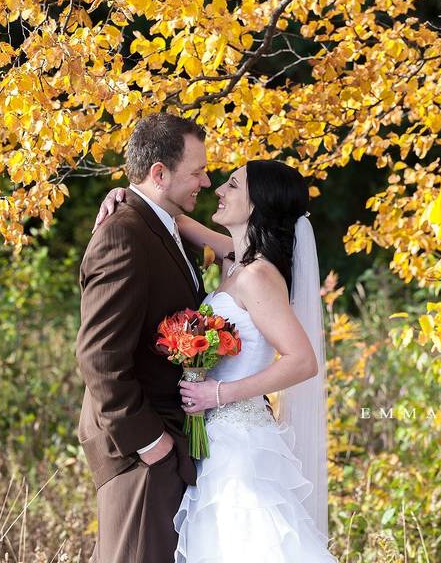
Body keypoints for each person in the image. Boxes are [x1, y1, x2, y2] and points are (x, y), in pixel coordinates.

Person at [93, 159, 335, 562]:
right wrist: (122, 194)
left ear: (256, 205)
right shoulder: (233, 259)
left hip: (239, 442)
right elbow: (173, 219)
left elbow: (301, 362)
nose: (218, 190)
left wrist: (219, 393)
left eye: (232, 185)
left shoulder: (258, 276)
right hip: (213, 440)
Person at [76, 113, 210, 563]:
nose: (206, 182)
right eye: (197, 172)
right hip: (138, 449)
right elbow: (99, 355)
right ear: (159, 173)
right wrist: (149, 441)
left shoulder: (164, 226)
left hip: (167, 441)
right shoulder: (123, 234)